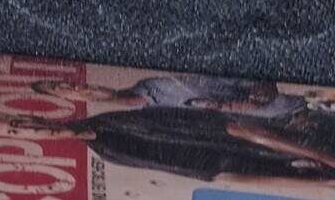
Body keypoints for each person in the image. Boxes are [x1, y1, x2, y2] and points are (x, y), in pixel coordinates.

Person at [0, 106, 335, 184]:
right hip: (268, 164)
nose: (25, 126)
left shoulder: (111, 121)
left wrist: (318, 155)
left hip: (299, 142)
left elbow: (233, 128)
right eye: (15, 133)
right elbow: (210, 172)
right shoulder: (106, 150)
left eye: (16, 121)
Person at [28, 75, 308, 120]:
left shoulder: (160, 84)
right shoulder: (135, 125)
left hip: (300, 111)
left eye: (68, 83)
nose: (75, 87)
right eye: (61, 89)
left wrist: (260, 91)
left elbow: (255, 83)